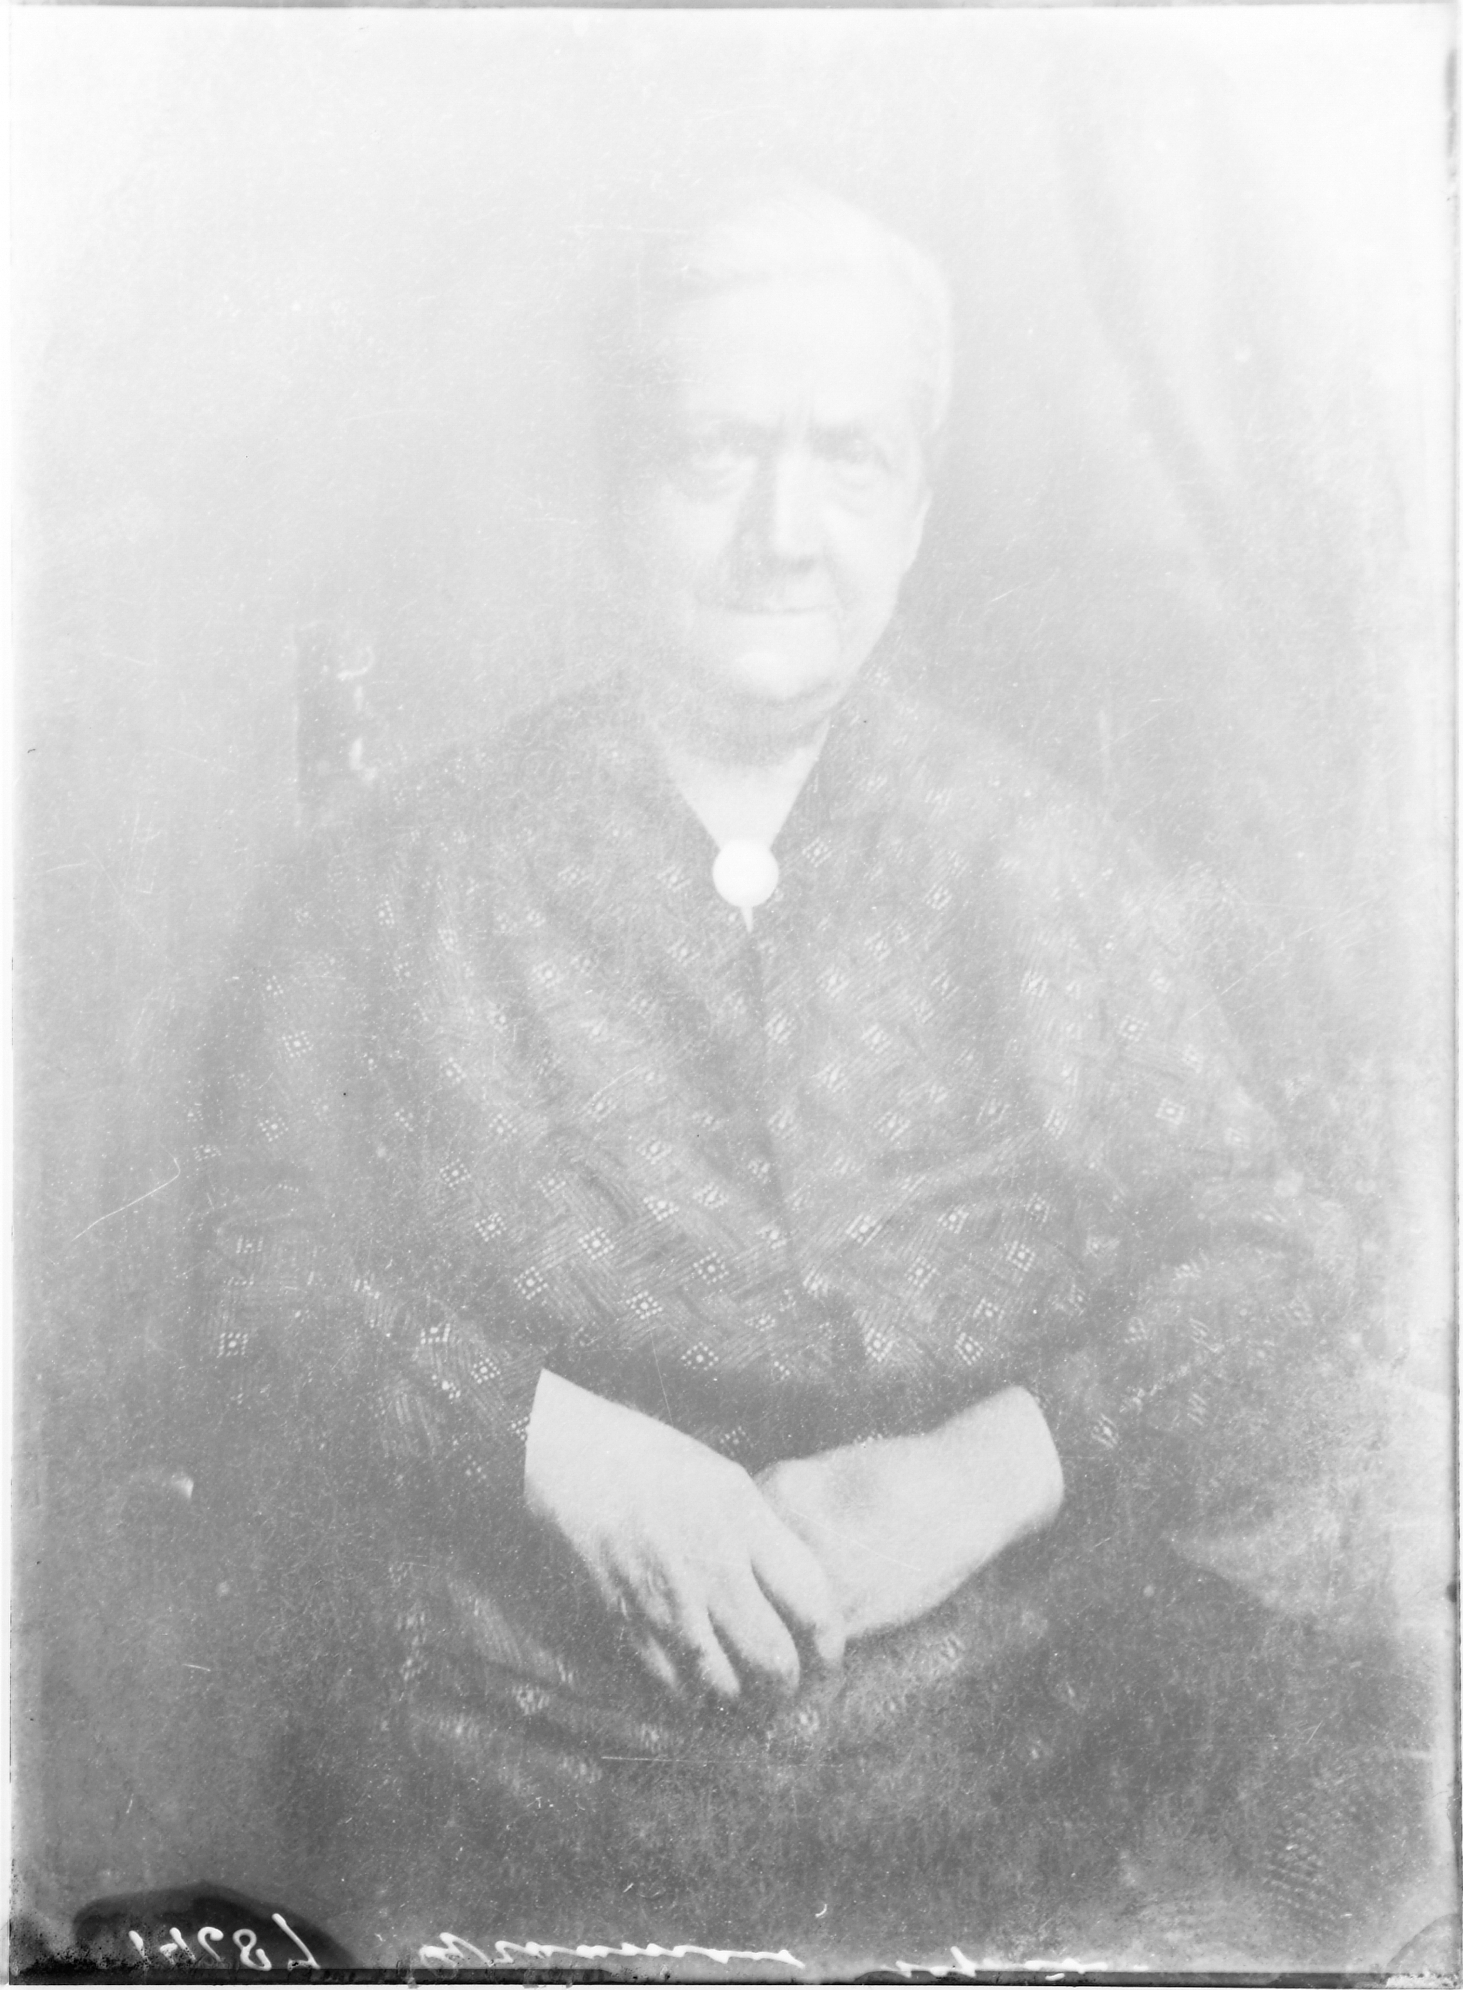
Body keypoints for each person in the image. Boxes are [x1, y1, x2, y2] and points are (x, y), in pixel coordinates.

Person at [188, 182, 1422, 1962]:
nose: (784, 532)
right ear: (616, 491)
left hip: (1011, 1770)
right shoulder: (403, 886)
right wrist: (566, 1454)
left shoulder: (1043, 876)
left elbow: (1278, 1269)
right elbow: (246, 1279)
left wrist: (986, 1467)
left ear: (913, 515)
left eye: (848, 459)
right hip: (516, 1770)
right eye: (716, 455)